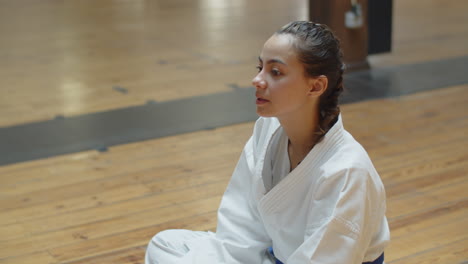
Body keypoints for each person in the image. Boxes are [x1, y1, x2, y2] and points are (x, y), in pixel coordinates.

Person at [145, 21, 390, 264]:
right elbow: (241, 226)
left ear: (316, 86)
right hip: (269, 256)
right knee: (166, 244)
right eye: (260, 67)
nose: (257, 80)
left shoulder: (347, 170)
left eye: (275, 72)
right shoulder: (269, 127)